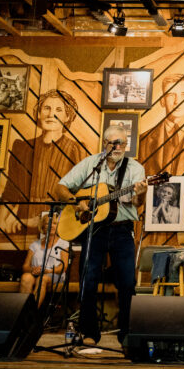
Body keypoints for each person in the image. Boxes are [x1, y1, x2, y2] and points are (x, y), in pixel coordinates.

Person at [52, 131, 147, 346]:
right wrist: (76, 201)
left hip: (122, 230)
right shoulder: (91, 164)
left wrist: (140, 193)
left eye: (122, 142)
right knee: (88, 278)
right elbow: (60, 187)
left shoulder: (134, 168)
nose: (119, 146)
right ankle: (89, 333)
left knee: (127, 282)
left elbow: (137, 203)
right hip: (94, 229)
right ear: (105, 144)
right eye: (114, 143)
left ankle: (127, 334)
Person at [4, 90, 87, 234]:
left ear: (67, 116)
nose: (51, 114)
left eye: (58, 110)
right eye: (46, 108)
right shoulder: (22, 147)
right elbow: (11, 191)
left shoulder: (75, 150)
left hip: (60, 224)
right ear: (38, 113)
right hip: (20, 224)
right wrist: (2, 222)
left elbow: (81, 194)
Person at [142, 74, 184, 173]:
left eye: (183, 94)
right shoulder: (144, 139)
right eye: (171, 95)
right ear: (162, 101)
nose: (177, 101)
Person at [19, 212, 70, 307]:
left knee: (42, 279)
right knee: (26, 277)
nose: (51, 226)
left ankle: (32, 314)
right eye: (48, 223)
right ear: (42, 227)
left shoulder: (63, 244)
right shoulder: (34, 245)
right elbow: (25, 266)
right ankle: (23, 313)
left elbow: (64, 267)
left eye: (54, 223)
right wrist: (33, 270)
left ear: (58, 226)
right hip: (36, 274)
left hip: (53, 274)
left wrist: (48, 271)